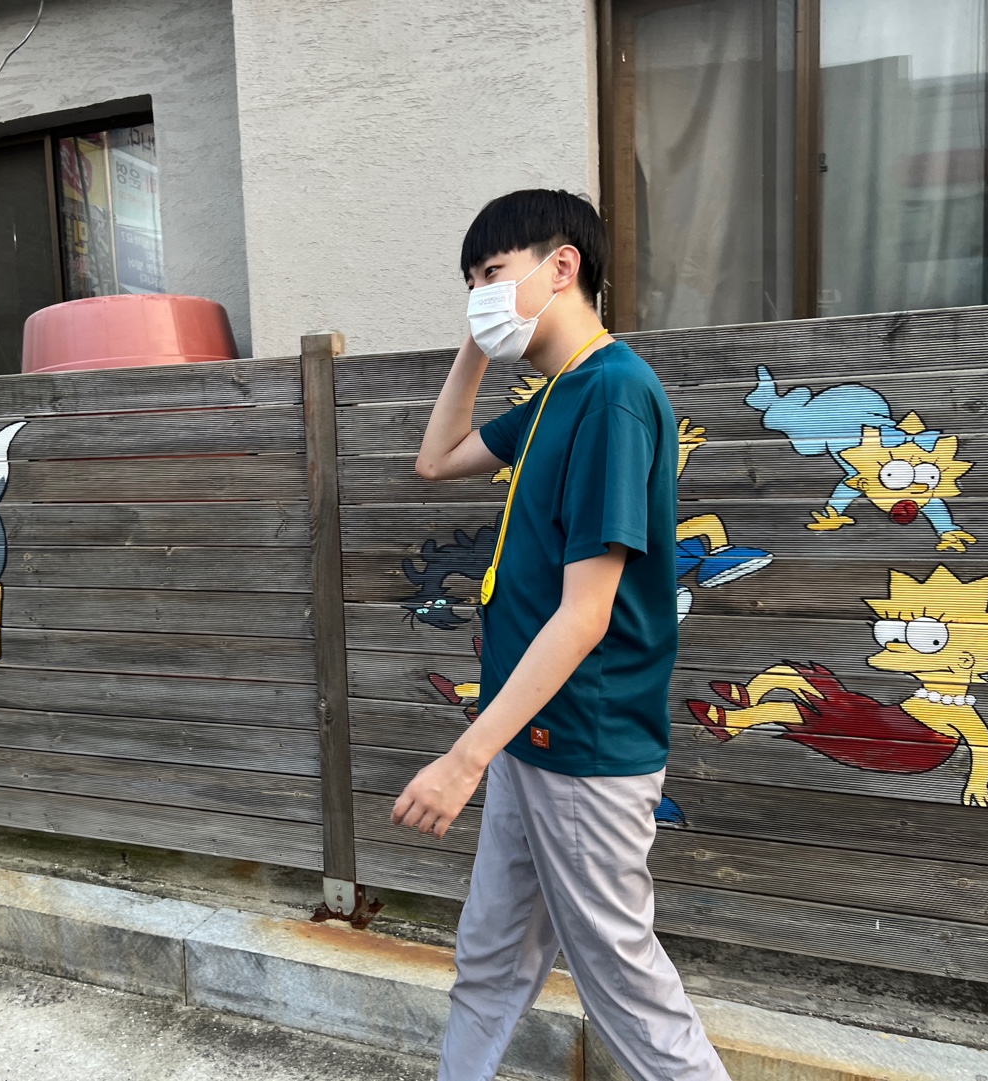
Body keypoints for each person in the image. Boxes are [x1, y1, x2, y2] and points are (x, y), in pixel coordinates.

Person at [393, 189, 730, 1081]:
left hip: (583, 746)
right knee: (491, 958)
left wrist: (464, 758)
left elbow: (587, 613)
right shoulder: (554, 397)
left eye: (493, 273)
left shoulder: (613, 395)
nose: (479, 294)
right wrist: (478, 338)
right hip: (527, 740)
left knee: (626, 992)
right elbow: (435, 458)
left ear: (562, 266)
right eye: (469, 283)